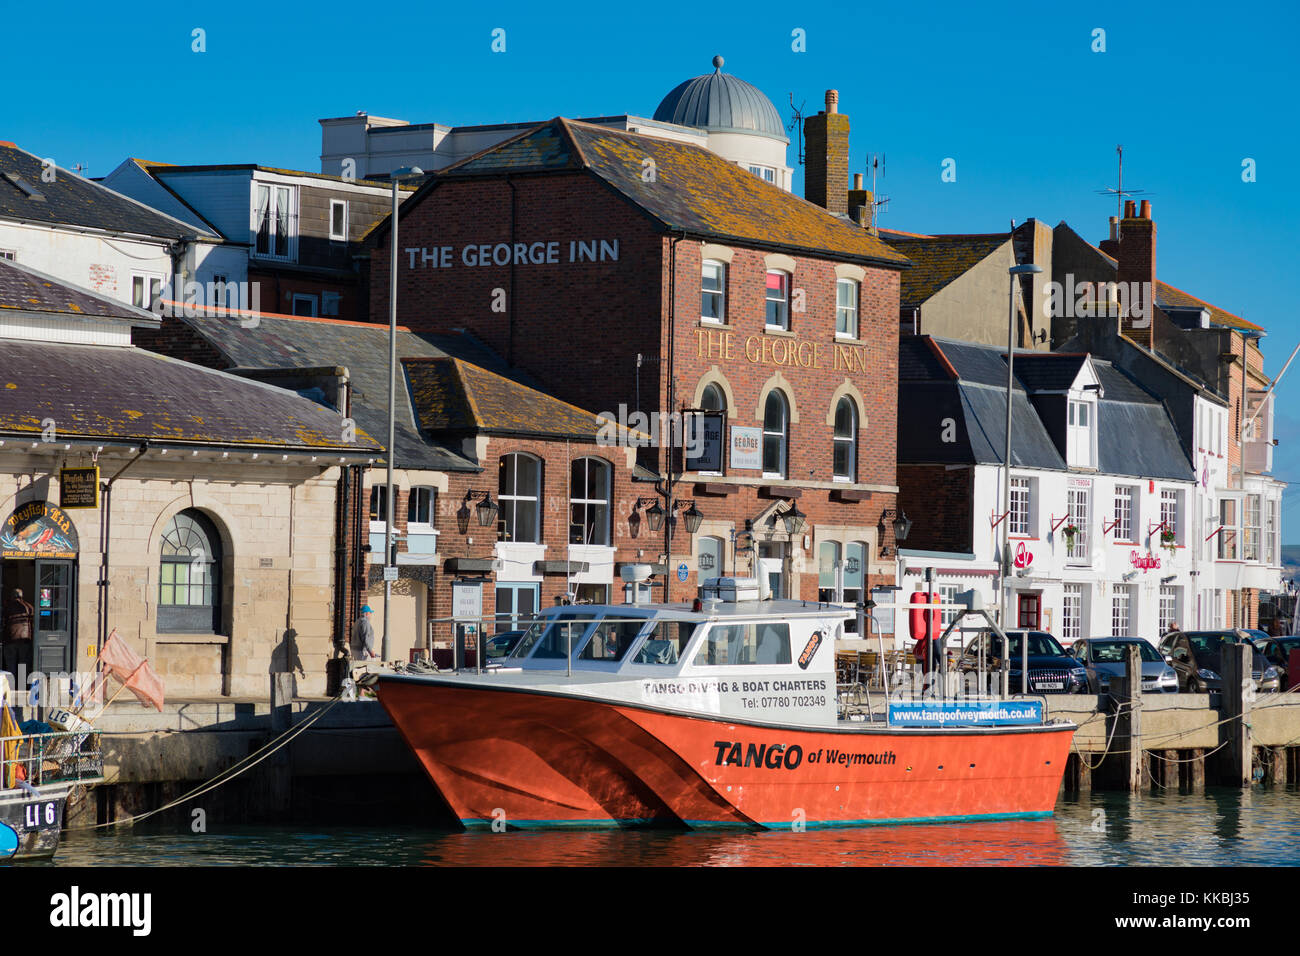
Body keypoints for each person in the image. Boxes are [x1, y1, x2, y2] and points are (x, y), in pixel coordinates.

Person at [2, 589, 34, 679]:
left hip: (10, 638)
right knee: (23, 663)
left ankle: (11, 686)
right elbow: (32, 623)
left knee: (10, 663)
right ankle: (22, 685)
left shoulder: (7, 607)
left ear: (12, 596)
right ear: (22, 596)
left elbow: (3, 621)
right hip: (25, 639)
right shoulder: (28, 607)